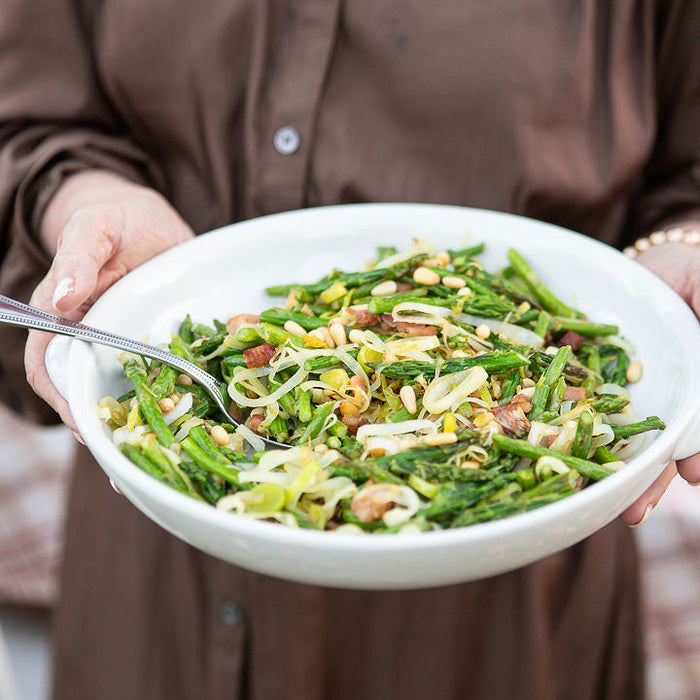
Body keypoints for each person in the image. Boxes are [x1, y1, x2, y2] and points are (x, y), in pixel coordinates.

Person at [1, 2, 699, 698]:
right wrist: (80, 201)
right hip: (155, 562)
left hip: (511, 597)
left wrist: (680, 257)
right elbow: (28, 115)